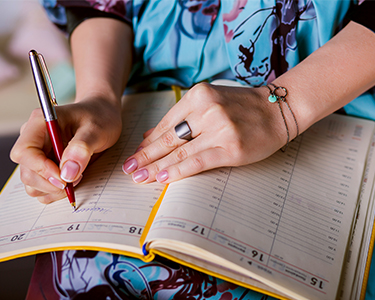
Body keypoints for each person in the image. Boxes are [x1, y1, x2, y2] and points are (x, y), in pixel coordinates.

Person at [10, 0, 375, 299]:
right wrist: (100, 96)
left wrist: (283, 109)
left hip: (332, 106)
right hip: (138, 100)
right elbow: (101, 6)